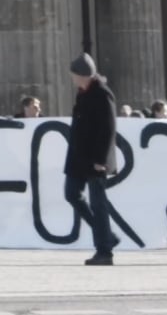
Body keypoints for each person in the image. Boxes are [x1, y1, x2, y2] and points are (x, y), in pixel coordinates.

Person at [64, 54, 119, 266]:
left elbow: (108, 128)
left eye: (74, 74)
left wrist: (101, 159)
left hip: (95, 158)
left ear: (82, 75)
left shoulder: (102, 93)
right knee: (71, 194)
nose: (72, 78)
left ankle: (104, 251)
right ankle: (107, 236)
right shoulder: (83, 93)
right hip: (79, 157)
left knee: (98, 203)